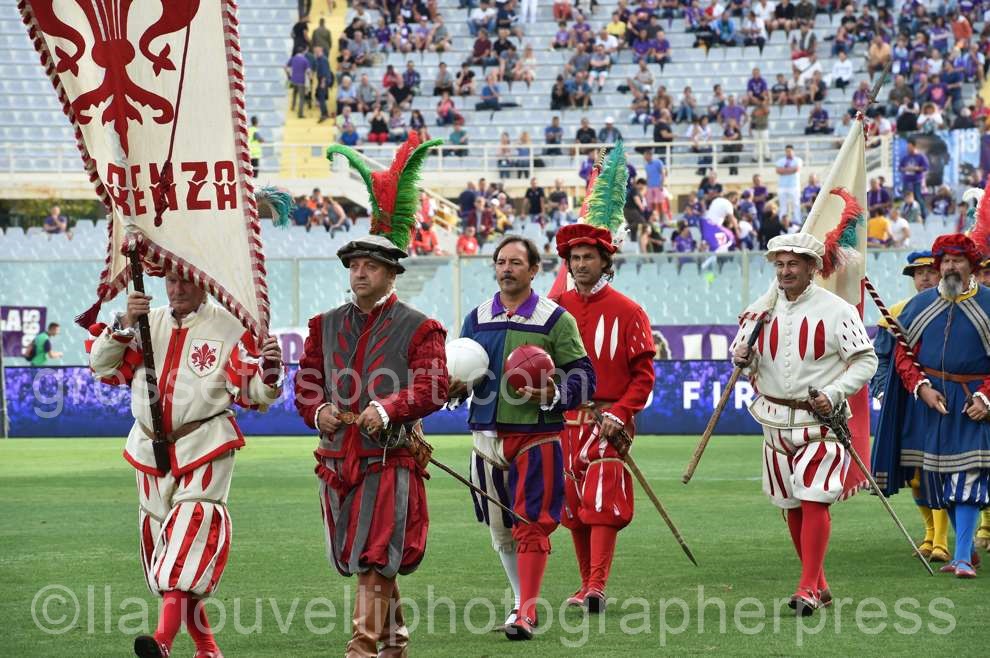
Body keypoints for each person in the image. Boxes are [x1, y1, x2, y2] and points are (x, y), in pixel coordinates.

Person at [299, 134, 448, 655]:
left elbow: (432, 386)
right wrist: (319, 410)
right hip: (336, 456)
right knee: (364, 556)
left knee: (374, 553)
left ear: (391, 273)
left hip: (391, 457)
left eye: (371, 266)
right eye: (354, 265)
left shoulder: (421, 326)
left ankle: (361, 649)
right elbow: (307, 381)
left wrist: (387, 408)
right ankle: (394, 641)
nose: (359, 272)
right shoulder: (323, 325)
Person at [88, 271, 283, 658]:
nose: (177, 289)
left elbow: (256, 392)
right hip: (148, 448)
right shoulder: (145, 322)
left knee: (188, 537)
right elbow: (101, 365)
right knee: (166, 550)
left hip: (205, 444)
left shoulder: (231, 327)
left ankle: (162, 641)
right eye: (171, 281)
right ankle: (207, 648)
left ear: (204, 282)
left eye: (186, 282)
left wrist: (270, 370)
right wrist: (124, 324)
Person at [451, 235, 595, 640]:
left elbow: (585, 375)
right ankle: (520, 602)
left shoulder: (556, 319)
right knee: (500, 528)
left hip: (536, 434)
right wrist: (455, 388)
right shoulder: (476, 318)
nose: (507, 269)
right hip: (485, 436)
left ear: (534, 270)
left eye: (516, 262)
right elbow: (462, 371)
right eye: (501, 262)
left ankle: (527, 612)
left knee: (531, 523)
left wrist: (556, 393)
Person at [731, 233, 877, 613]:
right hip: (774, 421)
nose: (785, 271)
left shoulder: (838, 310)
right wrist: (742, 358)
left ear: (812, 267)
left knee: (814, 497)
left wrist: (835, 392)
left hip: (822, 420)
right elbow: (746, 359)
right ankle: (819, 584)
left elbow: (866, 360)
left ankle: (807, 588)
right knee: (791, 503)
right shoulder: (758, 311)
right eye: (780, 264)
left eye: (793, 264)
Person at [553, 147, 655, 613]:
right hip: (562, 420)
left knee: (600, 500)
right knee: (572, 504)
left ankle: (597, 584)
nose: (579, 264)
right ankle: (584, 584)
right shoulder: (555, 310)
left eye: (587, 257)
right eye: (574, 257)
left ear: (604, 261)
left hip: (608, 418)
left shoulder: (630, 311)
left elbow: (643, 376)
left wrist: (621, 413)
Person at [874, 234, 990, 578]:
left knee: (966, 477)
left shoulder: (988, 303)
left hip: (973, 402)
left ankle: (962, 558)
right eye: (946, 261)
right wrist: (921, 387)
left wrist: (986, 397)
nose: (951, 266)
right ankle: (967, 548)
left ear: (972, 265)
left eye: (958, 260)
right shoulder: (920, 305)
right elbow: (902, 353)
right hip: (931, 403)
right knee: (936, 482)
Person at [870, 251, 947, 561]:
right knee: (916, 474)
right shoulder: (896, 313)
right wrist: (880, 390)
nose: (924, 277)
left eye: (930, 271)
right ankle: (929, 534)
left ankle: (942, 540)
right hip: (906, 403)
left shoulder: (956, 309)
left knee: (940, 470)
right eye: (918, 273)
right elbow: (881, 358)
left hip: (945, 400)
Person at [899, 139, 929, 221]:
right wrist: (905, 169)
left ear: (914, 147)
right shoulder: (905, 157)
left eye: (910, 147)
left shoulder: (920, 157)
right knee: (905, 198)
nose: (908, 149)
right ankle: (905, 216)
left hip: (916, 181)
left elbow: (926, 167)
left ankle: (923, 215)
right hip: (906, 181)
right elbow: (900, 168)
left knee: (918, 197)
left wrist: (916, 168)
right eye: (907, 147)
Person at [775, 144, 803, 225]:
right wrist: (790, 170)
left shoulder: (798, 160)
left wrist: (784, 170)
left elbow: (796, 169)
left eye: (790, 151)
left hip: (794, 186)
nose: (788, 153)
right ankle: (782, 222)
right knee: (783, 205)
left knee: (796, 204)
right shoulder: (781, 160)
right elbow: (778, 171)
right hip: (782, 186)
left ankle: (797, 221)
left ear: (793, 151)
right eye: (787, 151)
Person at [285, 47, 310, 119]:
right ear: (302, 52)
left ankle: (292, 107)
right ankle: (300, 114)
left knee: (294, 94)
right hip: (301, 81)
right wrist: (309, 79)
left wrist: (288, 75)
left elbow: (285, 67)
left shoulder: (293, 58)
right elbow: (308, 71)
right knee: (302, 98)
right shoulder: (305, 60)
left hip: (293, 80)